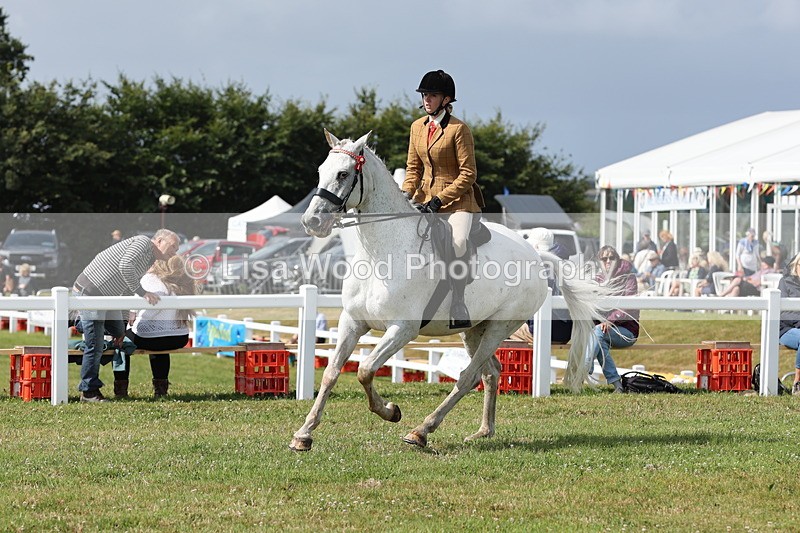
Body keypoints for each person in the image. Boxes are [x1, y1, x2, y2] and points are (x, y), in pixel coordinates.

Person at [402, 69, 484, 329]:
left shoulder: (460, 130)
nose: (427, 99)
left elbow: (468, 174)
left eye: (432, 95)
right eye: (425, 94)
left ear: (446, 99)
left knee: (458, 242)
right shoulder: (417, 127)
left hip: (459, 201)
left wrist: (439, 200)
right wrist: (405, 195)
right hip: (424, 198)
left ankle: (458, 301)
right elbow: (413, 169)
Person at [72, 228, 180, 402]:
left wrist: (122, 326)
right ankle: (89, 392)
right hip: (90, 294)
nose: (175, 252)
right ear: (159, 241)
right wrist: (142, 292)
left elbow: (124, 289)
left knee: (118, 333)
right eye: (173, 246)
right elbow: (125, 266)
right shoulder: (143, 243)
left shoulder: (148, 257)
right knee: (96, 344)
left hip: (106, 297)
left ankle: (81, 321)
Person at [114, 255, 197, 398]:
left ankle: (121, 389)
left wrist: (135, 319)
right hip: (179, 337)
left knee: (119, 342)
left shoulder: (150, 279)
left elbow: (149, 312)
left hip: (150, 338)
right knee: (160, 345)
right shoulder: (180, 281)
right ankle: (161, 390)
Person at [509, 228, 573, 345]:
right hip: (565, 333)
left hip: (541, 332)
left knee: (501, 328)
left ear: (537, 247)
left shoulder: (537, 268)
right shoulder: (565, 264)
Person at [589, 246, 639, 393]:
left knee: (597, 333)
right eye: (604, 259)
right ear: (600, 262)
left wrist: (610, 320)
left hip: (627, 331)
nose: (608, 261)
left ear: (618, 259)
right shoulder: (597, 280)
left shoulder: (629, 278)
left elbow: (627, 306)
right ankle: (617, 385)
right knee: (599, 338)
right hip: (602, 331)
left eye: (612, 258)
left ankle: (584, 369)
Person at [778, 253, 800, 395]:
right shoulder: (785, 282)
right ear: (796, 265)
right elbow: (784, 313)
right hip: (786, 329)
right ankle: (798, 381)